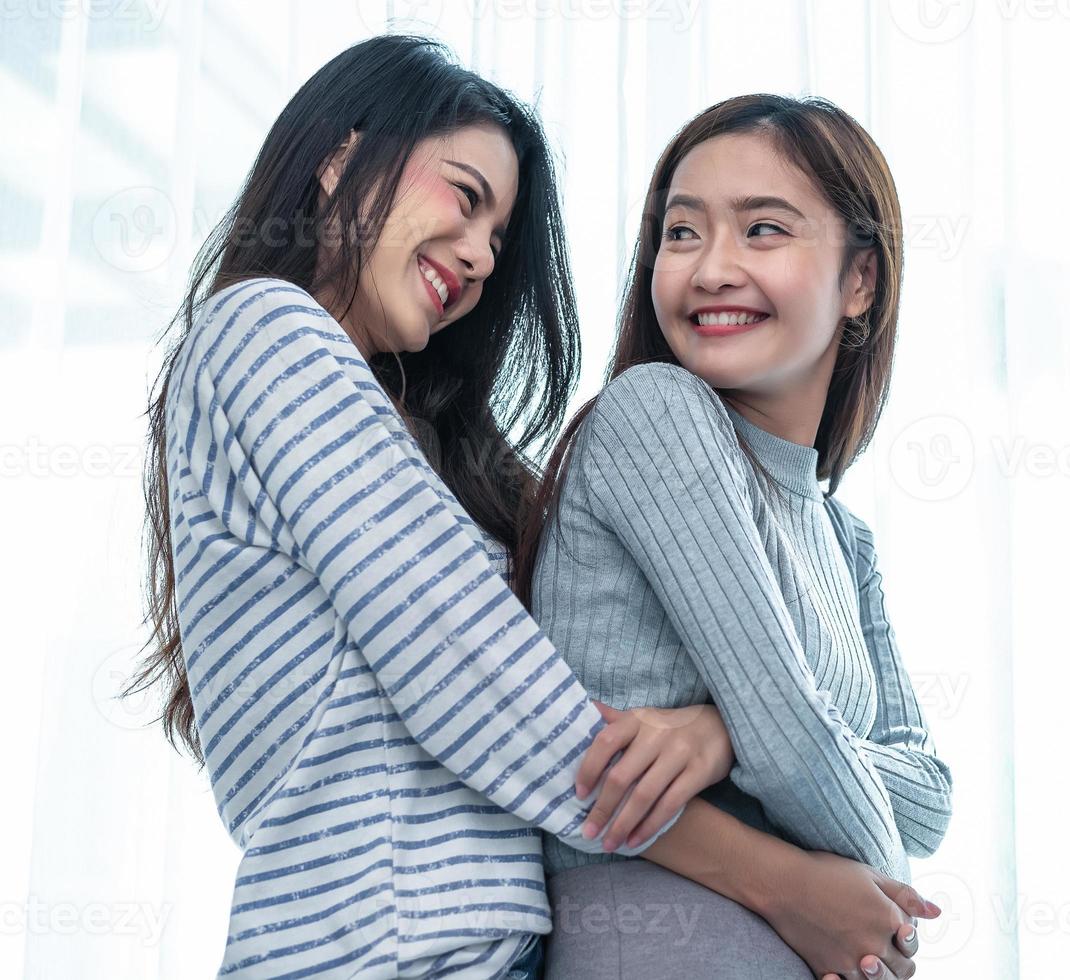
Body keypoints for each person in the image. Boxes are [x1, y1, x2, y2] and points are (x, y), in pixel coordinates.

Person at [132, 36, 933, 979]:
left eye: (498, 237)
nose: (476, 256)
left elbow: (909, 783)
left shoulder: (431, 447)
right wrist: (777, 882)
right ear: (341, 157)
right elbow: (477, 682)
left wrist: (722, 731)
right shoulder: (264, 335)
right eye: (464, 198)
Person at [515, 94, 953, 979]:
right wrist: (881, 916)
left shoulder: (846, 540)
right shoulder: (657, 414)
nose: (711, 268)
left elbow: (932, 798)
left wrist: (721, 733)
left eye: (763, 230)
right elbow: (796, 753)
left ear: (861, 281)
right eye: (682, 233)